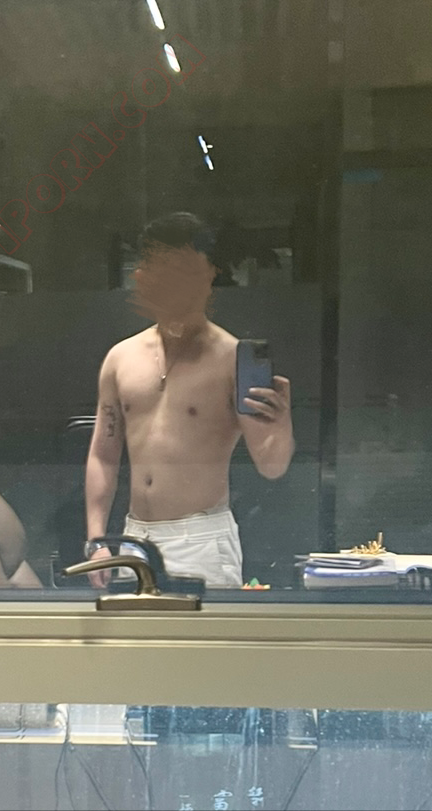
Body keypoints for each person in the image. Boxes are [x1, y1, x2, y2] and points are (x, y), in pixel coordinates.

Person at [84, 212, 295, 589]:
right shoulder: (120, 358)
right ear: (142, 276)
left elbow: (272, 467)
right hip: (134, 538)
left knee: (204, 632)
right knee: (132, 631)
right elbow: (103, 455)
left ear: (207, 276)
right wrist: (97, 540)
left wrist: (281, 427)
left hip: (201, 538)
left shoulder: (229, 358)